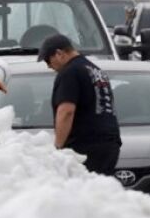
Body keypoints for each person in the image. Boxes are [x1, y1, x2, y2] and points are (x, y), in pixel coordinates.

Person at [39, 33, 122, 176]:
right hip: (110, 144)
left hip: (84, 147)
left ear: (59, 54)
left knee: (82, 193)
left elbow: (66, 111)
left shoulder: (69, 72)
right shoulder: (96, 70)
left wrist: (57, 147)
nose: (49, 66)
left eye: (48, 60)